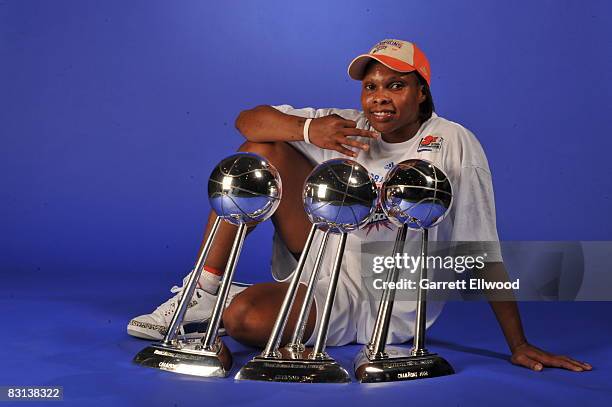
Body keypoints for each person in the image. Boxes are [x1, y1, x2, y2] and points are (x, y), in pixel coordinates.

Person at [128, 39, 591, 372]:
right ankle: (202, 293)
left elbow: (483, 248)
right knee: (260, 149)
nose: (379, 98)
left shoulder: (453, 143)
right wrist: (311, 132)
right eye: (370, 87)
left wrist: (519, 343)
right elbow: (248, 120)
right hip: (319, 258)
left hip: (377, 297)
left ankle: (227, 305)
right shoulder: (346, 125)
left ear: (421, 91)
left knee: (245, 320)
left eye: (395, 85)